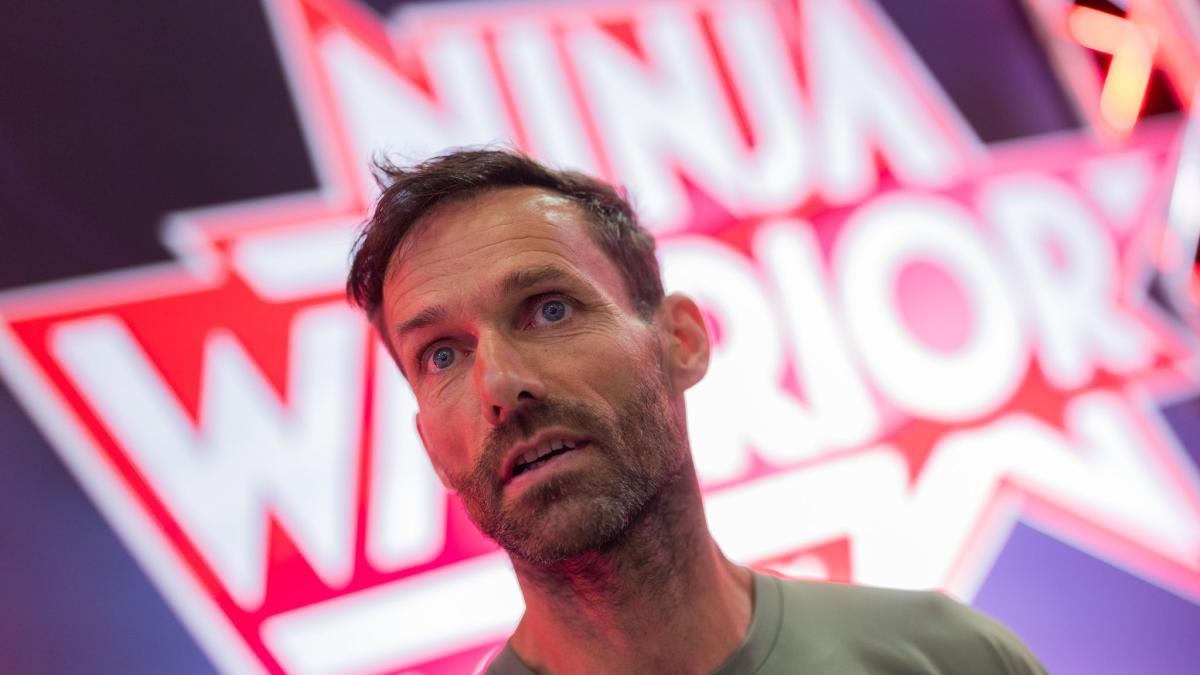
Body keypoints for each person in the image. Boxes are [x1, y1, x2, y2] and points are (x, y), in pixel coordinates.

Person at [346, 148, 1046, 674]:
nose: (499, 383)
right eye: (441, 354)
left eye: (549, 309)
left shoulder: (948, 658)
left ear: (680, 339)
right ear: (432, 448)